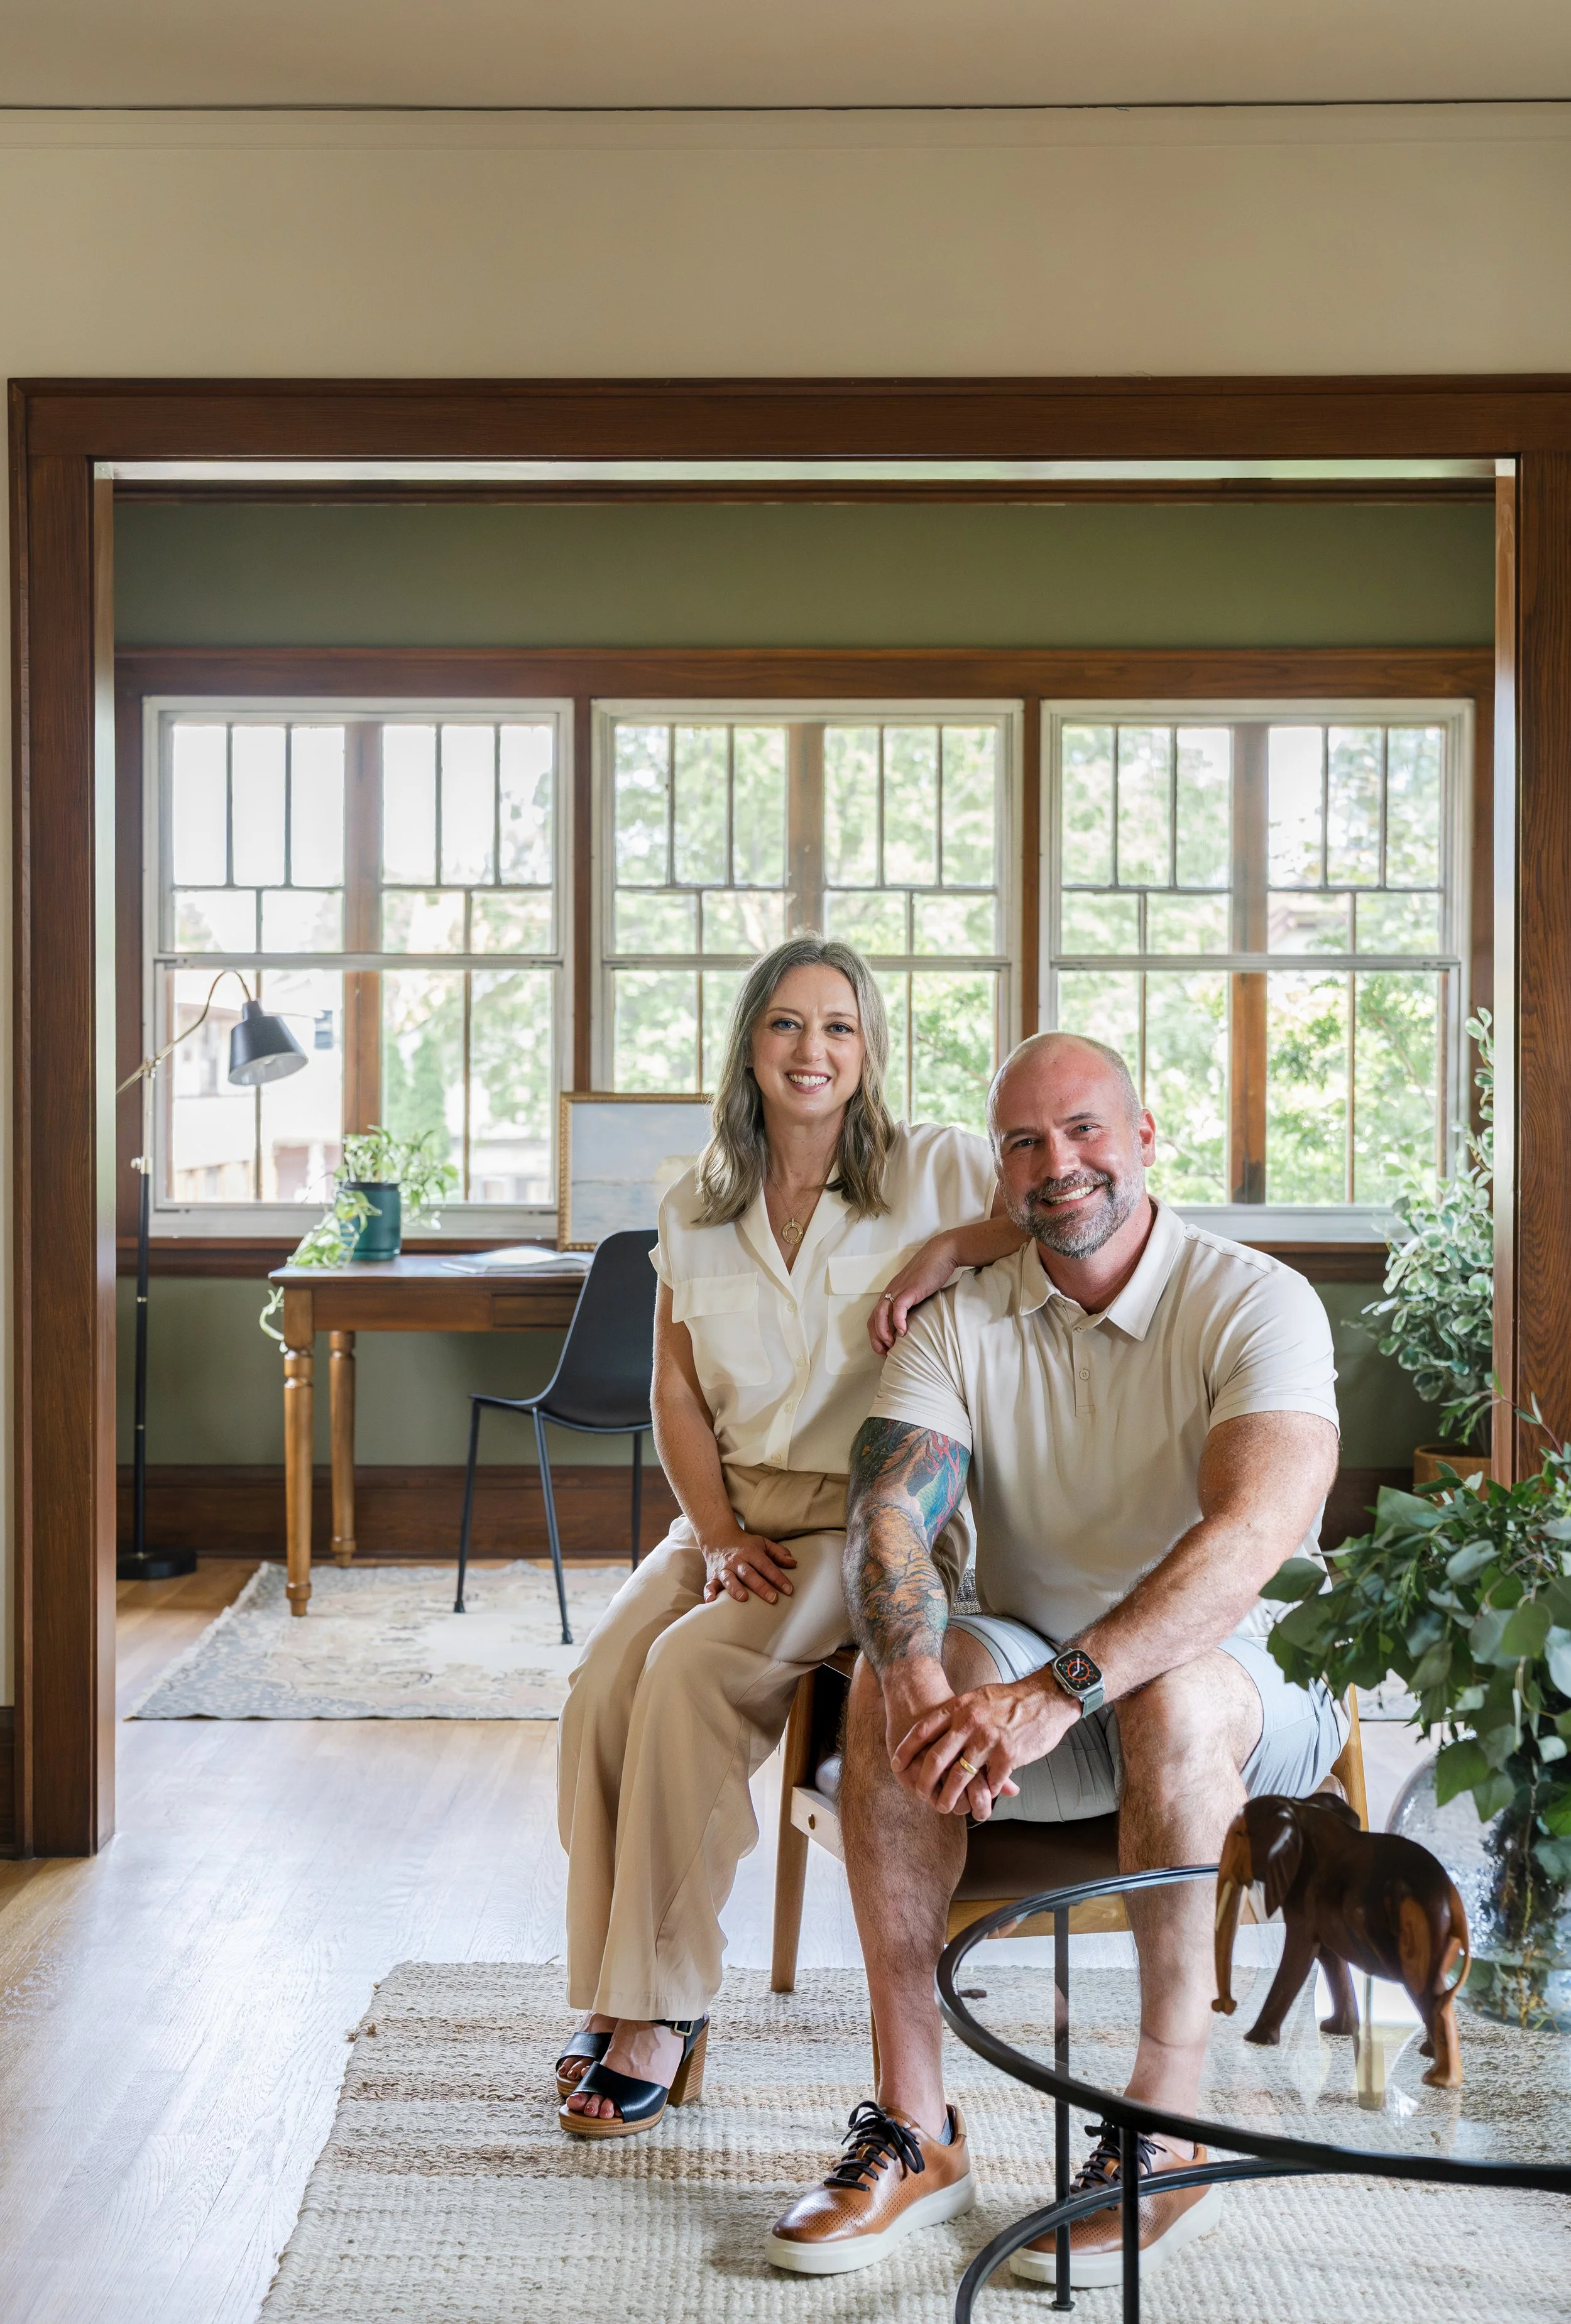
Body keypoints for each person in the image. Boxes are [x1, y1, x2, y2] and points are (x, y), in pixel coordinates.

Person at [767, 1030, 1342, 2281]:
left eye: (1084, 1130)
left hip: (1248, 1684)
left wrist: (1059, 1689)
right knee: (884, 1685)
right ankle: (916, 2127)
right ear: (999, 1171)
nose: (1058, 1162)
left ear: (1144, 1140)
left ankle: (1165, 2128)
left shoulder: (1255, 1300)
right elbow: (888, 1514)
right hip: (1041, 1678)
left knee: (1173, 1695)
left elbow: (1246, 1539)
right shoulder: (958, 1319)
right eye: (1024, 1141)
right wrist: (919, 1684)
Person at [554, 934, 1019, 2137]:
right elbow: (673, 1389)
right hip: (736, 1512)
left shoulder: (932, 1167)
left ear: (868, 1051)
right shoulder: (696, 1200)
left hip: (871, 1519)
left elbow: (1044, 1209)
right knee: (602, 1680)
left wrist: (946, 1248)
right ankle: (612, 1989)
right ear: (751, 1043)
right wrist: (713, 1535)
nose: (813, 1049)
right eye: (788, 1023)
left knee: (688, 1671)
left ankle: (665, 2004)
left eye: (839, 1026)